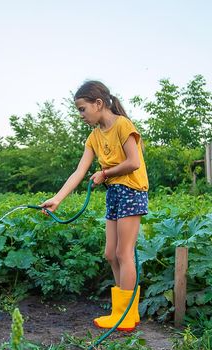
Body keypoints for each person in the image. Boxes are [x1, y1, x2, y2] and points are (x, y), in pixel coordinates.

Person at [40, 80, 148, 331]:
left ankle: (126, 316)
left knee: (124, 253)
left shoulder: (123, 125)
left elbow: (134, 162)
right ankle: (122, 313)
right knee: (111, 254)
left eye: (82, 109)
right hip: (114, 193)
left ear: (98, 104)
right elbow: (79, 171)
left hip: (132, 190)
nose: (81, 115)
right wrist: (57, 198)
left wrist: (105, 174)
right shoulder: (94, 137)